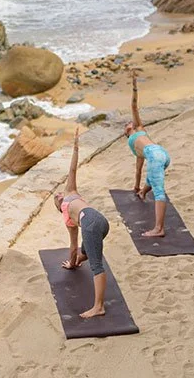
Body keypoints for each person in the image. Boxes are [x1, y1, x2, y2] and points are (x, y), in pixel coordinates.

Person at [52, 129, 111, 318]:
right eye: (56, 198)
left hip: (92, 222)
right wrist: (73, 262)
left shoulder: (70, 191)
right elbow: (74, 246)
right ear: (59, 206)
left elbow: (72, 169)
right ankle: (80, 261)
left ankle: (98, 307)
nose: (58, 194)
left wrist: (76, 147)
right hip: (99, 221)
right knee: (85, 252)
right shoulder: (68, 212)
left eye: (58, 193)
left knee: (96, 266)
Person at [127, 71, 172, 237]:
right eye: (127, 124)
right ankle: (144, 192)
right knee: (152, 176)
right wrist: (137, 188)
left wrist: (134, 87)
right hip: (161, 154)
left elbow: (134, 106)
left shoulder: (139, 128)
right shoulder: (136, 147)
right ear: (127, 131)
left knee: (159, 191)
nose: (129, 123)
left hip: (155, 154)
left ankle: (159, 229)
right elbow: (139, 170)